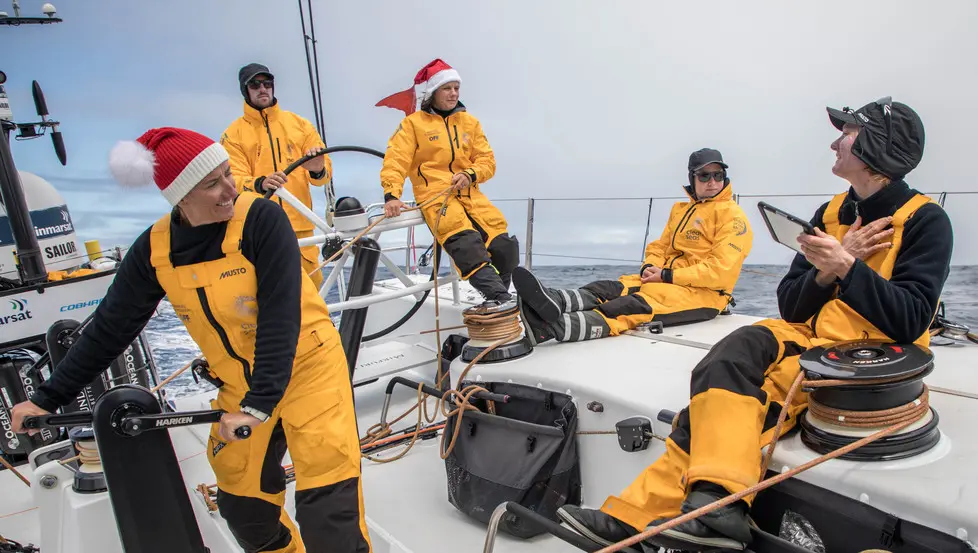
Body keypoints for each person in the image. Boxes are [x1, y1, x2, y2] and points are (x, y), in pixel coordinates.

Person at [556, 97, 952, 552]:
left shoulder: (926, 220)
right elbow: (790, 306)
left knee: (734, 404)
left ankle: (687, 509)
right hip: (811, 337)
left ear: (876, 149)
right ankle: (700, 512)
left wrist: (847, 265)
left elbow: (910, 320)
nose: (834, 142)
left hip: (868, 355)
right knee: (727, 357)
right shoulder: (830, 213)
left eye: (848, 134)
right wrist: (826, 270)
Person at [11, 128, 371, 553]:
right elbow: (111, 327)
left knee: (328, 511)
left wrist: (258, 405)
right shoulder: (154, 250)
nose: (229, 190)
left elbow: (280, 317)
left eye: (228, 174)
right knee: (244, 510)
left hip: (309, 373)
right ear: (180, 196)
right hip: (239, 386)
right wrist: (48, 397)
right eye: (212, 183)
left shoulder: (261, 219)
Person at [514, 149, 753, 344]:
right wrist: (650, 266)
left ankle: (550, 328)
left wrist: (668, 275)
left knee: (628, 307)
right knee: (607, 287)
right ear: (692, 177)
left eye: (718, 175)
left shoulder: (733, 217)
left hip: (705, 295)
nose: (712, 182)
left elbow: (721, 271)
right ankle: (554, 300)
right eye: (704, 175)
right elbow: (660, 246)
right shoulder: (681, 210)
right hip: (665, 281)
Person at [379, 58, 518, 303]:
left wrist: (470, 174)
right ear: (433, 91)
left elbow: (488, 161)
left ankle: (498, 300)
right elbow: (396, 160)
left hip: (471, 195)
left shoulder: (470, 123)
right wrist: (392, 195)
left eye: (456, 88)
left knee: (504, 247)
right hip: (437, 199)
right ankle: (501, 301)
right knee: (467, 246)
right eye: (447, 88)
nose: (453, 93)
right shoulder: (412, 125)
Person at [221, 62, 332, 289]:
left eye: (267, 83)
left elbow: (323, 177)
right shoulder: (233, 135)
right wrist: (260, 183)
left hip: (302, 229)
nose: (263, 88)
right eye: (255, 84)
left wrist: (317, 167)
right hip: (259, 230)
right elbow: (232, 182)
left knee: (315, 297)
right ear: (246, 90)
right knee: (271, 296)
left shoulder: (300, 125)